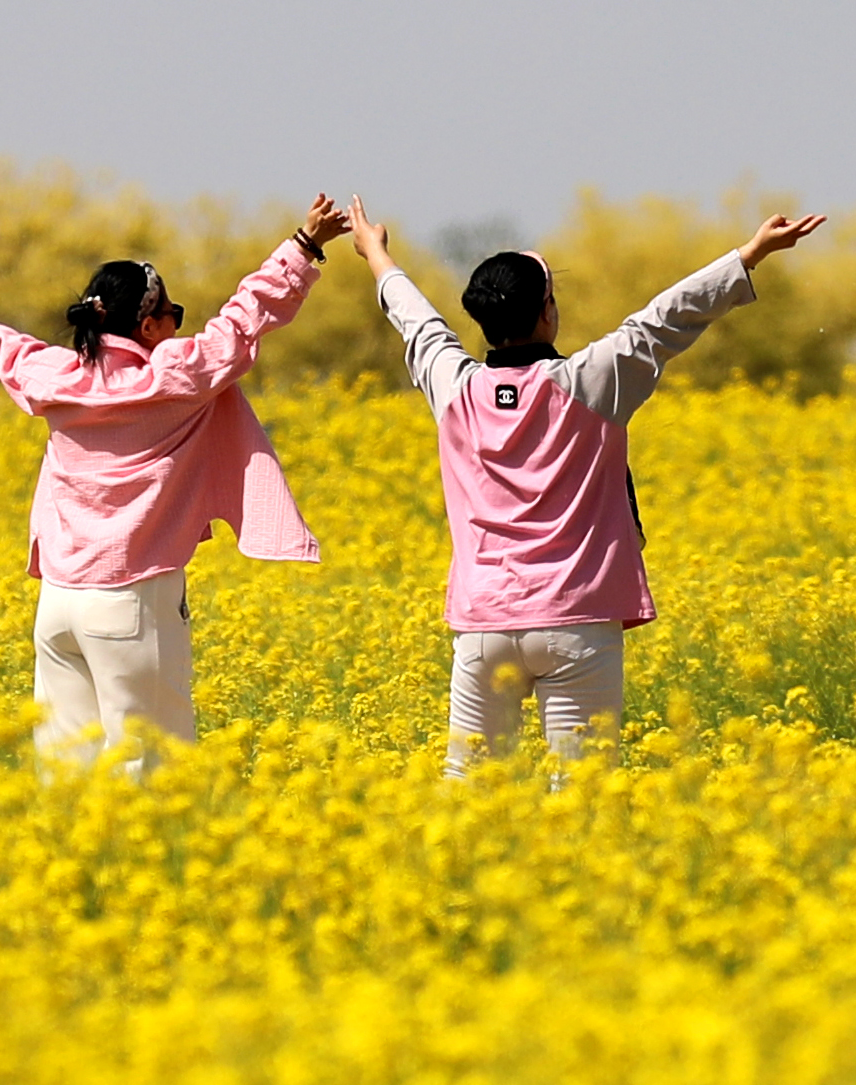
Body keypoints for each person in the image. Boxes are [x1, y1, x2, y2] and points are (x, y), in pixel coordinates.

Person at [350, 202, 828, 773]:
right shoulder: (590, 382)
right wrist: (750, 255)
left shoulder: (454, 388)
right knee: (582, 795)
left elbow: (416, 320)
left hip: (484, 626)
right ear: (547, 315)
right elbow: (665, 317)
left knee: (467, 794)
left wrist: (376, 252)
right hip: (577, 621)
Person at [0, 196, 349, 763]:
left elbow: (3, 348)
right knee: (148, 771)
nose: (181, 322)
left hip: (58, 602)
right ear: (149, 326)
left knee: (66, 771)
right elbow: (245, 319)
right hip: (131, 601)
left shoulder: (55, 376)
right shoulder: (172, 378)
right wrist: (304, 247)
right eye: (174, 312)